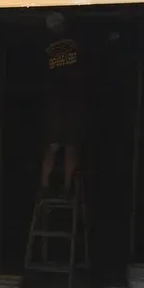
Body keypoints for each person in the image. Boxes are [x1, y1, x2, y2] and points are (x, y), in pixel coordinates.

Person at [40, 11, 85, 196]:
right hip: (70, 99)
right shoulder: (74, 41)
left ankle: (44, 186)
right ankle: (66, 187)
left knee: (54, 146)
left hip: (56, 101)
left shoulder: (45, 46)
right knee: (69, 146)